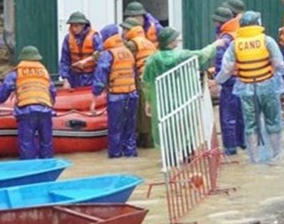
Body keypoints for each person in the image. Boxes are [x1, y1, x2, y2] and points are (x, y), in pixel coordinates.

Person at [215, 11, 284, 163]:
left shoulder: (234, 44)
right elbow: (278, 64)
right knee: (273, 120)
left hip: (246, 89)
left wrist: (217, 81)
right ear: (257, 23)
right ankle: (276, 156)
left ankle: (255, 159)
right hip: (268, 87)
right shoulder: (267, 41)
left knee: (250, 124)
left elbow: (226, 69)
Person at [142, 27, 223, 148]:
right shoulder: (183, 55)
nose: (177, 40)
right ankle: (186, 152)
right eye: (175, 38)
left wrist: (148, 101)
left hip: (162, 102)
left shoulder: (152, 60)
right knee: (185, 128)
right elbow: (202, 55)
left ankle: (169, 156)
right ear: (170, 42)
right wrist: (215, 45)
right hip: (183, 99)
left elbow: (146, 82)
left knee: (166, 131)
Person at [0, 46, 56, 159]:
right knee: (46, 142)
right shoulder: (44, 72)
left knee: (27, 142)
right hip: (45, 110)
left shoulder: (16, 73)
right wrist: (51, 105)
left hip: (27, 111)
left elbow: (4, 89)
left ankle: (29, 168)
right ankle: (46, 166)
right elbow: (52, 91)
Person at [91, 24, 139, 158]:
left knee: (115, 130)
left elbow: (100, 77)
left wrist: (94, 98)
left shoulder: (108, 54)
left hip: (116, 97)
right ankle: (130, 155)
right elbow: (134, 73)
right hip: (132, 95)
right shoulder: (128, 52)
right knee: (130, 129)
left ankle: (115, 157)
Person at [120, 17, 157, 148]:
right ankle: (150, 144)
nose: (122, 33)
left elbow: (119, 53)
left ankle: (145, 144)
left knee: (142, 115)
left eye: (124, 29)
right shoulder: (147, 42)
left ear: (129, 30)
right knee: (149, 114)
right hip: (152, 81)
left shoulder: (132, 44)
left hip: (142, 81)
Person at [212, 6, 243, 155]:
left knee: (228, 117)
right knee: (241, 115)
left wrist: (216, 81)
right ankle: (243, 144)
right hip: (243, 79)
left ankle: (230, 149)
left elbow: (221, 64)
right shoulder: (238, 34)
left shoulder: (225, 39)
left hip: (230, 82)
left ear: (219, 22)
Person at [59, 11, 102, 88]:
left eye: (76, 26)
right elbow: (64, 60)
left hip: (91, 77)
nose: (74, 29)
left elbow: (101, 54)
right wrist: (65, 79)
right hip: (74, 77)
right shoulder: (68, 39)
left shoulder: (94, 38)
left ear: (83, 25)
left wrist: (86, 61)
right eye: (72, 26)